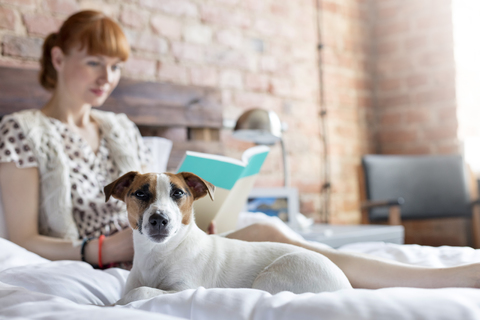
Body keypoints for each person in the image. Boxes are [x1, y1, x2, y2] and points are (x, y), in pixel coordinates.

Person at [1, 9, 479, 289]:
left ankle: (428, 280)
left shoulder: (119, 127)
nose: (107, 77)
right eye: (94, 63)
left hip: (173, 243)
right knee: (276, 234)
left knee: (270, 228)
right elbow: (21, 238)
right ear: (59, 58)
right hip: (114, 255)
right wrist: (103, 249)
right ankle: (438, 281)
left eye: (116, 67)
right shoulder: (23, 131)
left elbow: (163, 196)